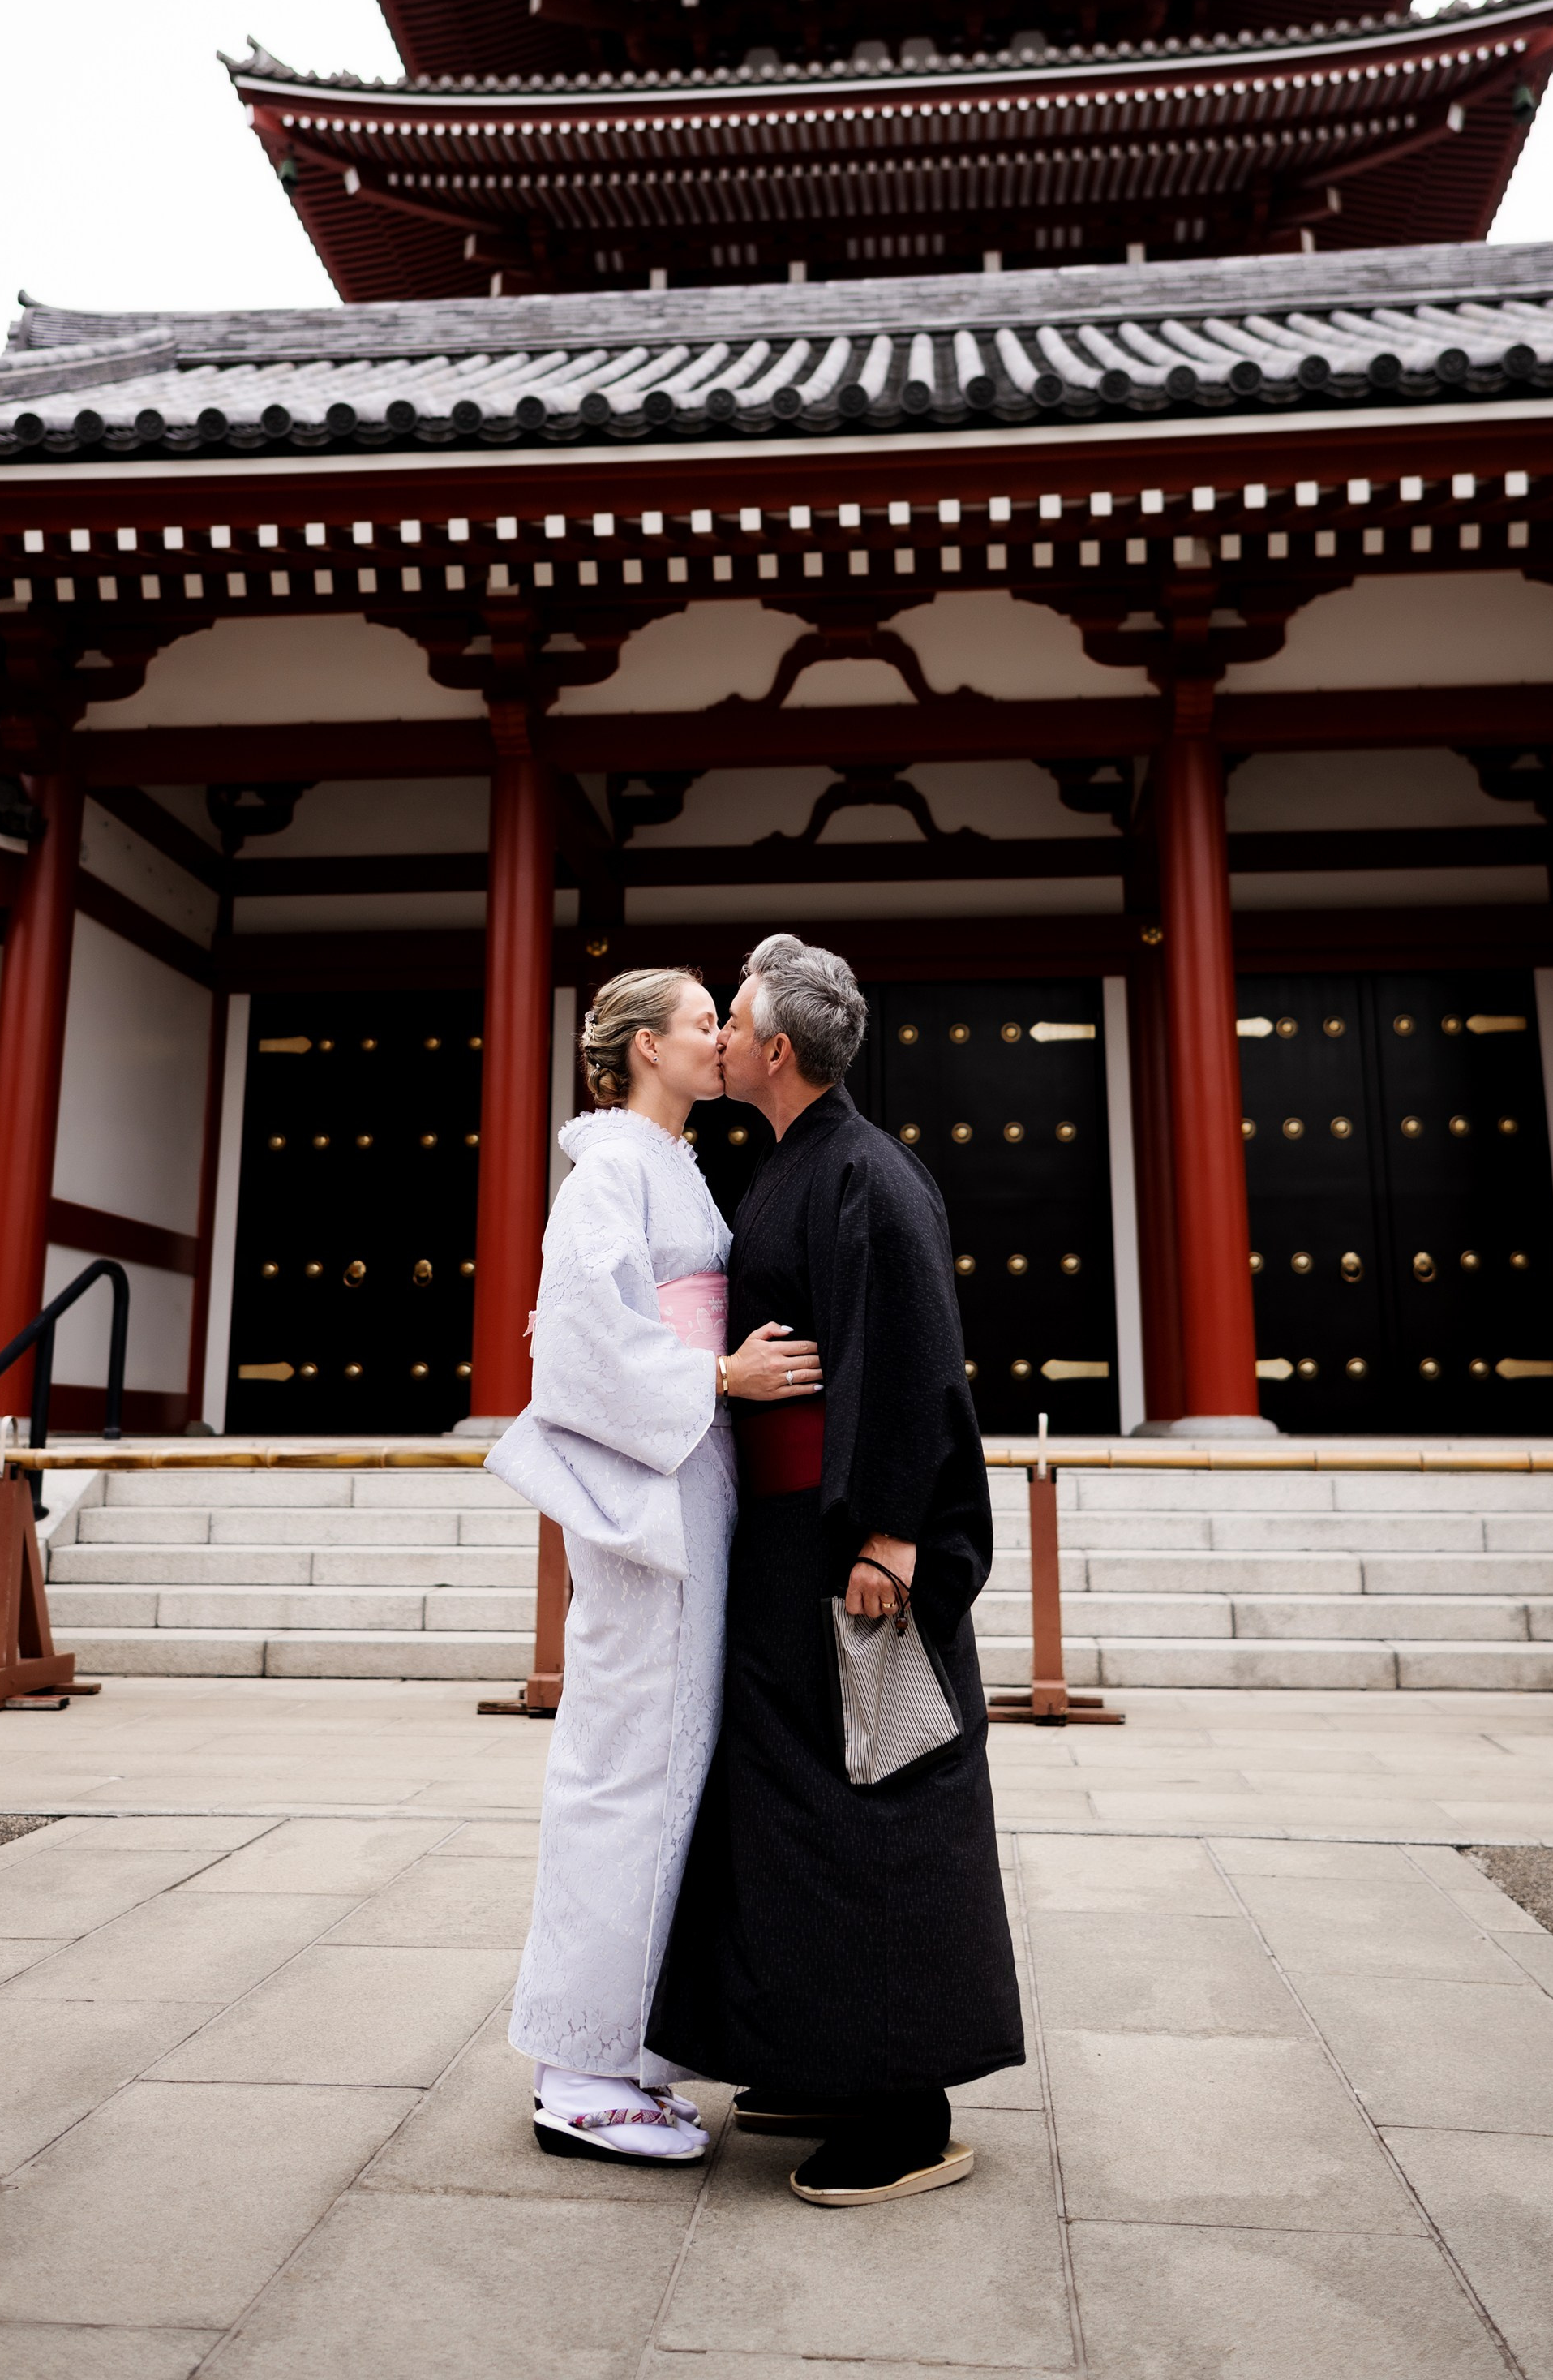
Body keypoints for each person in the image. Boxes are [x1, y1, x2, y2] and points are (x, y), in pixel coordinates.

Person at [650, 933, 1024, 2206]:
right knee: (789, 1805)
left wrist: (892, 1532)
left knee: (873, 1797)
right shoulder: (791, 1169)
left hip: (851, 1538)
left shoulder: (871, 1175)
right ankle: (823, 2052)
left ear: (779, 1050)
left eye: (734, 1015)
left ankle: (907, 2107)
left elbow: (914, 1355)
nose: (721, 1034)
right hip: (782, 1536)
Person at [487, 965, 822, 2167]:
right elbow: (578, 1343)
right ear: (640, 1047)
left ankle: (631, 2049)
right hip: (651, 1480)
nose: (720, 1040)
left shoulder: (666, 1160)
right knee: (625, 1753)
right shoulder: (613, 1166)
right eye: (700, 1024)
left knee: (666, 1749)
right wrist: (719, 1378)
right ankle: (579, 2068)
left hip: (687, 1470)